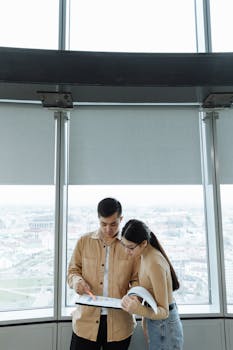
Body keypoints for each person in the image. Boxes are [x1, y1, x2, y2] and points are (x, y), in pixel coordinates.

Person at [67, 198, 139, 350]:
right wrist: (77, 282)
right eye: (103, 224)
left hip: (119, 324)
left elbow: (137, 280)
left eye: (113, 224)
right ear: (98, 219)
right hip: (85, 322)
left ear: (121, 219)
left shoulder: (131, 246)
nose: (108, 229)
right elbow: (72, 272)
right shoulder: (84, 241)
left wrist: (134, 296)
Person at [121, 219, 184, 350]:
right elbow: (148, 287)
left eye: (131, 247)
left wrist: (137, 309)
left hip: (164, 325)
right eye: (124, 245)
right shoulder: (144, 255)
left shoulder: (154, 262)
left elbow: (164, 312)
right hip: (157, 323)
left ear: (144, 243)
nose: (127, 251)